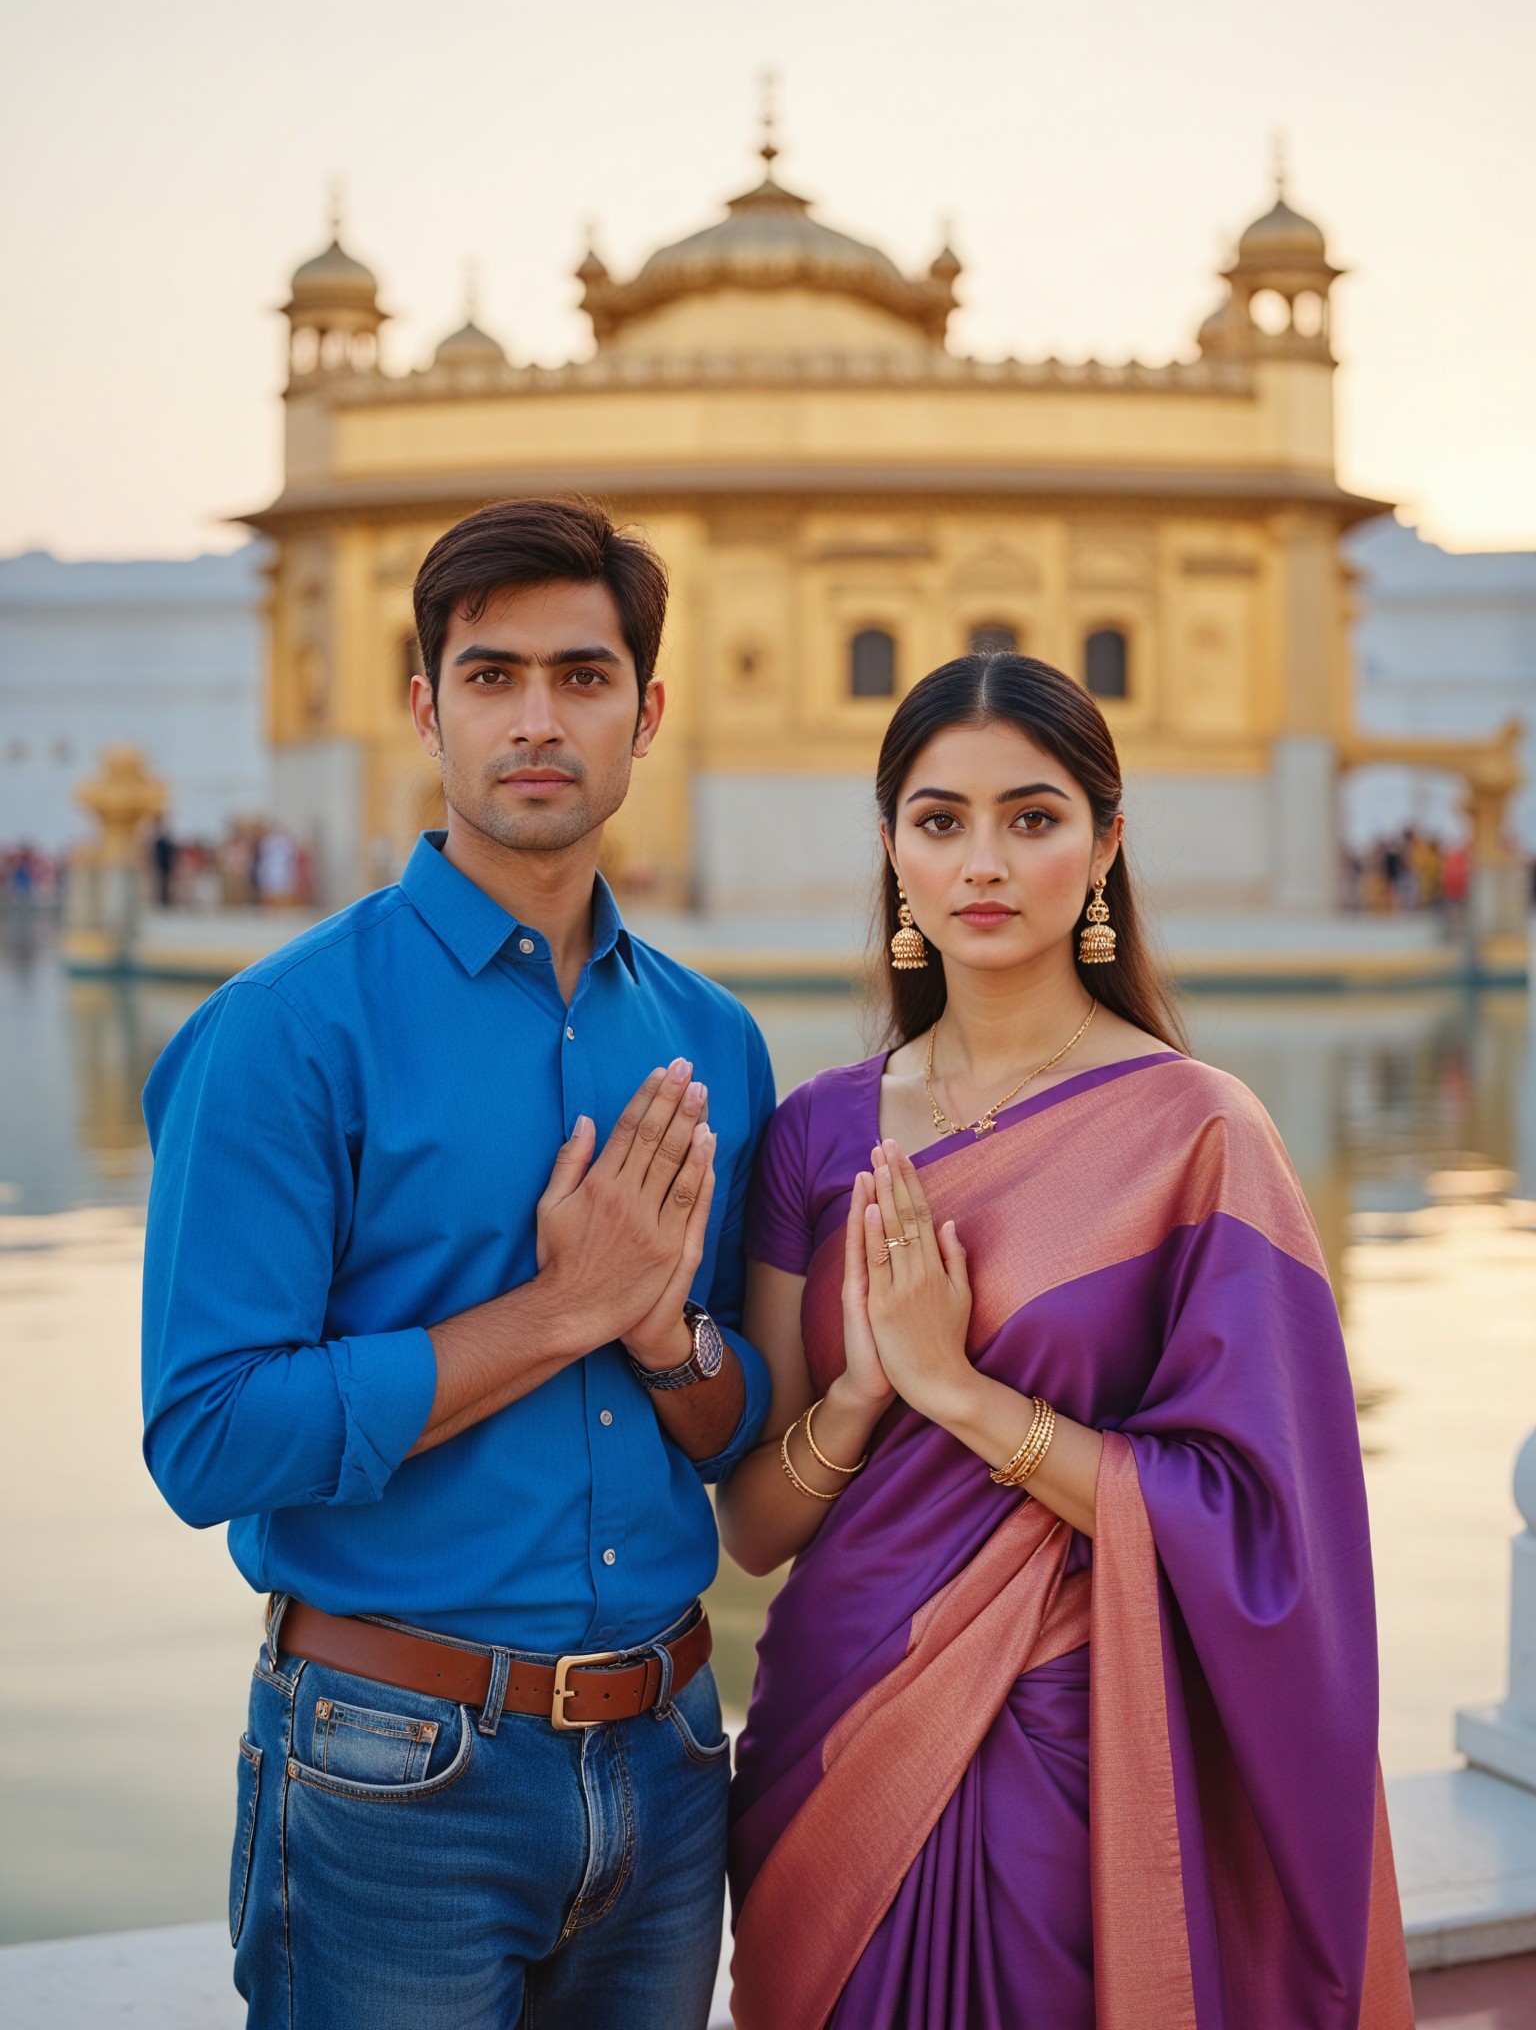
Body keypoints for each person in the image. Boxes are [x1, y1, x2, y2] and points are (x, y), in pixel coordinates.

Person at [141, 497, 776, 2030]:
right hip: (393, 1770)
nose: (538, 721)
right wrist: (559, 1310)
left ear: (648, 713)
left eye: (583, 676)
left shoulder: (711, 1043)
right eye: (492, 678)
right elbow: (209, 1435)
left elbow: (739, 1424)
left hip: (675, 1758)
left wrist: (657, 1337)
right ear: (426, 708)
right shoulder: (286, 1034)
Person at [720, 653, 1413, 2029]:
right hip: (828, 1721)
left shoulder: (1198, 1133)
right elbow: (749, 1526)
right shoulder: (814, 1132)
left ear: (1103, 844)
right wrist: (865, 1394)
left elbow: (1269, 1527)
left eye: (1032, 819)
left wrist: (961, 1396)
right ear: (890, 848)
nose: (984, 861)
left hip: (1063, 1739)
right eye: (940, 820)